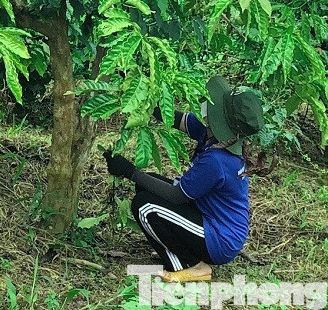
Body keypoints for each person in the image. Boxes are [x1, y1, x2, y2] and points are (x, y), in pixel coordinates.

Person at [102, 75, 264, 282]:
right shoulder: (215, 135)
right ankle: (179, 250)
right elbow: (175, 119)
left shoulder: (218, 160)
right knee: (147, 186)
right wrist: (139, 95)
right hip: (209, 217)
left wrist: (130, 171)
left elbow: (176, 196)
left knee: (145, 206)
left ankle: (191, 266)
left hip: (219, 238)